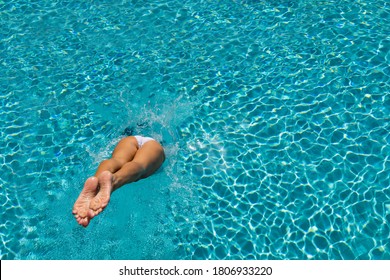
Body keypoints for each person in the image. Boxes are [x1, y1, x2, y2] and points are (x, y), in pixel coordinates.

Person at [72, 135, 165, 227]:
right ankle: (114, 180)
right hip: (154, 145)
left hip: (130, 139)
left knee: (117, 160)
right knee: (139, 165)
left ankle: (96, 185)